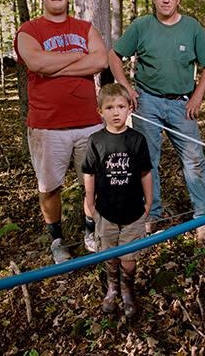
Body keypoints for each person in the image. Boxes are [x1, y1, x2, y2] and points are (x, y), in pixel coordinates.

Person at [109, 0, 205, 243]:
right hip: (147, 101)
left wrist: (197, 97)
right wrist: (126, 88)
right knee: (147, 161)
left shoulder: (192, 27)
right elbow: (114, 55)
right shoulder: (142, 26)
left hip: (182, 103)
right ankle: (151, 213)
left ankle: (203, 217)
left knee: (194, 160)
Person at [14, 0, 108, 264]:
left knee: (93, 183)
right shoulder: (29, 30)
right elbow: (35, 60)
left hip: (89, 123)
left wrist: (52, 67)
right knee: (49, 186)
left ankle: (90, 231)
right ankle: (56, 240)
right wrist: (79, 59)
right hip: (46, 126)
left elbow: (101, 60)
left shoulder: (84, 27)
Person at [82, 83, 152, 318]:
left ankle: (127, 289)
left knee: (129, 259)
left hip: (133, 212)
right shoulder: (95, 141)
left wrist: (149, 202)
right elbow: (89, 172)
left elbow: (145, 172)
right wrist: (90, 203)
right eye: (109, 107)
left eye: (121, 106)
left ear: (130, 109)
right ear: (100, 111)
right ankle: (112, 287)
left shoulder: (137, 140)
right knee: (110, 256)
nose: (115, 112)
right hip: (106, 212)